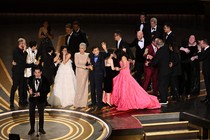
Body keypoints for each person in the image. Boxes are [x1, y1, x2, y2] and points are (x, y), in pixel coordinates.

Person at [146, 38, 171, 104]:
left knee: (161, 86)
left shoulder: (159, 51)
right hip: (168, 70)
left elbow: (155, 63)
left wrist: (148, 63)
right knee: (165, 85)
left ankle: (163, 100)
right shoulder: (166, 48)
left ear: (157, 45)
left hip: (162, 71)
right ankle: (165, 98)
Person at [27, 66, 50, 135]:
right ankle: (32, 129)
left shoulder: (45, 79)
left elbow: (48, 90)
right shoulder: (30, 78)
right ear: (34, 73)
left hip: (41, 99)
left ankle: (41, 128)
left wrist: (40, 94)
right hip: (32, 99)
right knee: (31, 114)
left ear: (41, 73)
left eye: (38, 73)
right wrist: (29, 91)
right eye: (35, 73)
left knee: (41, 115)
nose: (37, 74)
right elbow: (27, 86)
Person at [88, 42, 109, 110]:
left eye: (97, 50)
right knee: (92, 89)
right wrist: (89, 65)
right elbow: (87, 64)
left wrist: (105, 48)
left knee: (99, 89)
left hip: (99, 75)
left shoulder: (102, 55)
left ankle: (99, 104)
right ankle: (93, 103)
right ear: (92, 52)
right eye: (95, 50)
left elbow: (107, 54)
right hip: (92, 75)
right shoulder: (90, 55)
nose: (96, 51)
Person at [10, 38, 27, 109]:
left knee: (21, 87)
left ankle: (21, 101)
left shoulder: (24, 52)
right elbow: (22, 61)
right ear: (21, 44)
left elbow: (23, 62)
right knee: (14, 87)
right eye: (24, 43)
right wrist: (24, 52)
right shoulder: (15, 51)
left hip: (22, 72)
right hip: (16, 72)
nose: (25, 44)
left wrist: (24, 52)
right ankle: (11, 102)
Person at [191, 39, 210, 104]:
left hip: (208, 71)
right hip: (206, 71)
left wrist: (199, 50)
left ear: (204, 43)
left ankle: (209, 99)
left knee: (208, 85)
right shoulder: (205, 50)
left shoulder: (208, 50)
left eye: (201, 44)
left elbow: (201, 57)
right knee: (207, 85)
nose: (200, 45)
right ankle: (208, 98)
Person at [23, 41, 39, 106]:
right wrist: (32, 63)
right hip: (27, 70)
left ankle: (33, 97)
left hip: (33, 70)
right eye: (35, 46)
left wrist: (36, 62)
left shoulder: (35, 51)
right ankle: (25, 99)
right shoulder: (26, 51)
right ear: (33, 46)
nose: (36, 47)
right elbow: (26, 61)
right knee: (27, 85)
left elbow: (34, 58)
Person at [74, 43, 90, 108]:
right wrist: (85, 67)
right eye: (80, 48)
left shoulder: (87, 55)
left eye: (82, 48)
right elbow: (76, 64)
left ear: (85, 49)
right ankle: (77, 103)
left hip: (85, 73)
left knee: (84, 87)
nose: (81, 50)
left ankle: (83, 103)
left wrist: (90, 64)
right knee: (78, 87)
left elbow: (89, 63)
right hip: (78, 72)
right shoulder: (76, 54)